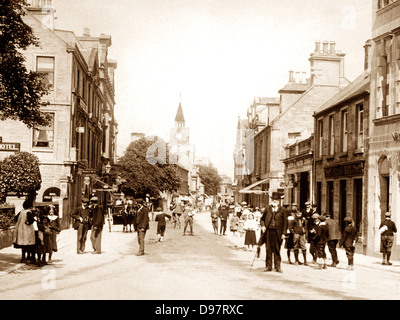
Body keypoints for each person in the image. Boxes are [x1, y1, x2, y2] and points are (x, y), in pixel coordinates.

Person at [258, 192, 287, 273]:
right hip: (268, 232)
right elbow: (262, 219)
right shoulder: (268, 209)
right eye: (273, 199)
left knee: (277, 250)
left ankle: (278, 267)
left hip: (278, 233)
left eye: (276, 199)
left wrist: (284, 233)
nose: (274, 201)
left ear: (279, 201)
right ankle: (268, 266)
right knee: (268, 249)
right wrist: (263, 226)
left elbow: (285, 223)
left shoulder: (283, 210)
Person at [13, 198, 36, 264]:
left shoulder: (21, 212)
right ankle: (28, 257)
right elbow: (31, 220)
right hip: (27, 229)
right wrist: (28, 222)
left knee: (23, 244)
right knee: (28, 243)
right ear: (30, 206)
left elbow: (15, 218)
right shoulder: (29, 212)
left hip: (21, 229)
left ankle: (23, 257)